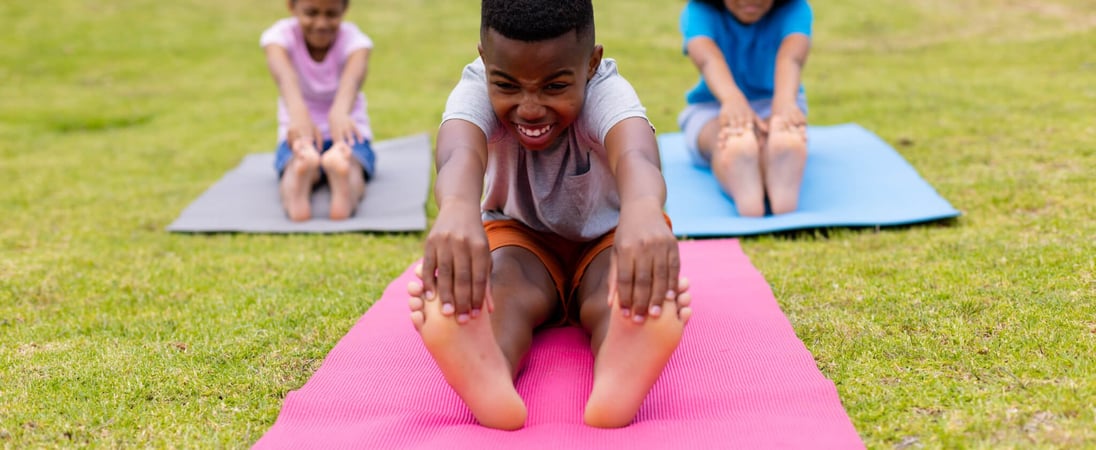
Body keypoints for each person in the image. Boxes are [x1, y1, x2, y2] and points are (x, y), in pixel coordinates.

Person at [406, 0, 693, 430]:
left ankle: (622, 363)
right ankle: (486, 364)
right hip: (522, 238)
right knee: (501, 291)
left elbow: (636, 154)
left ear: (592, 63)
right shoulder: (476, 86)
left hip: (610, 238)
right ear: (485, 59)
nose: (531, 107)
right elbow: (458, 154)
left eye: (555, 87)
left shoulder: (607, 89)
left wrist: (644, 210)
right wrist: (456, 209)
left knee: (614, 290)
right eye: (508, 85)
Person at [678, 0, 813, 216]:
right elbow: (708, 59)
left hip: (775, 100)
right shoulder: (698, 11)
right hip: (715, 103)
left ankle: (758, 170)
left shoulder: (796, 8)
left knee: (772, 129)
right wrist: (731, 99)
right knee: (720, 134)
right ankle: (756, 168)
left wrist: (785, 102)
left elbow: (791, 56)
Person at [260, 0, 376, 221]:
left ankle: (320, 179)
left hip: (346, 131)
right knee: (346, 167)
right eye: (311, 13)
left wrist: (340, 113)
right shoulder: (278, 37)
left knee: (346, 164)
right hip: (301, 131)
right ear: (291, 7)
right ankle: (319, 180)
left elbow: (352, 81)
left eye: (331, 14)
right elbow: (285, 77)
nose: (321, 23)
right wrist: (298, 114)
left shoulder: (356, 41)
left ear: (344, 10)